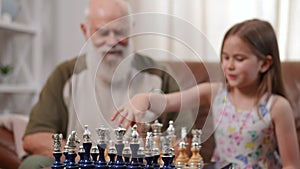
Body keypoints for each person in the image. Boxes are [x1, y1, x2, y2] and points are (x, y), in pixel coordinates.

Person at [112, 19, 300, 168]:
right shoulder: (214, 93)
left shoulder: (277, 106)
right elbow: (166, 102)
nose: (229, 65)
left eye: (239, 59)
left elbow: (291, 164)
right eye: (225, 57)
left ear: (265, 64)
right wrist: (142, 99)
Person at [20, 0, 179, 168]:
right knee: (33, 164)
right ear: (85, 31)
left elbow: (186, 139)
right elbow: (35, 137)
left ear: (132, 29)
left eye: (120, 32)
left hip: (139, 164)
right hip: (80, 163)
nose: (112, 41)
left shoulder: (160, 74)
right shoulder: (65, 74)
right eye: (103, 33)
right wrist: (87, 158)